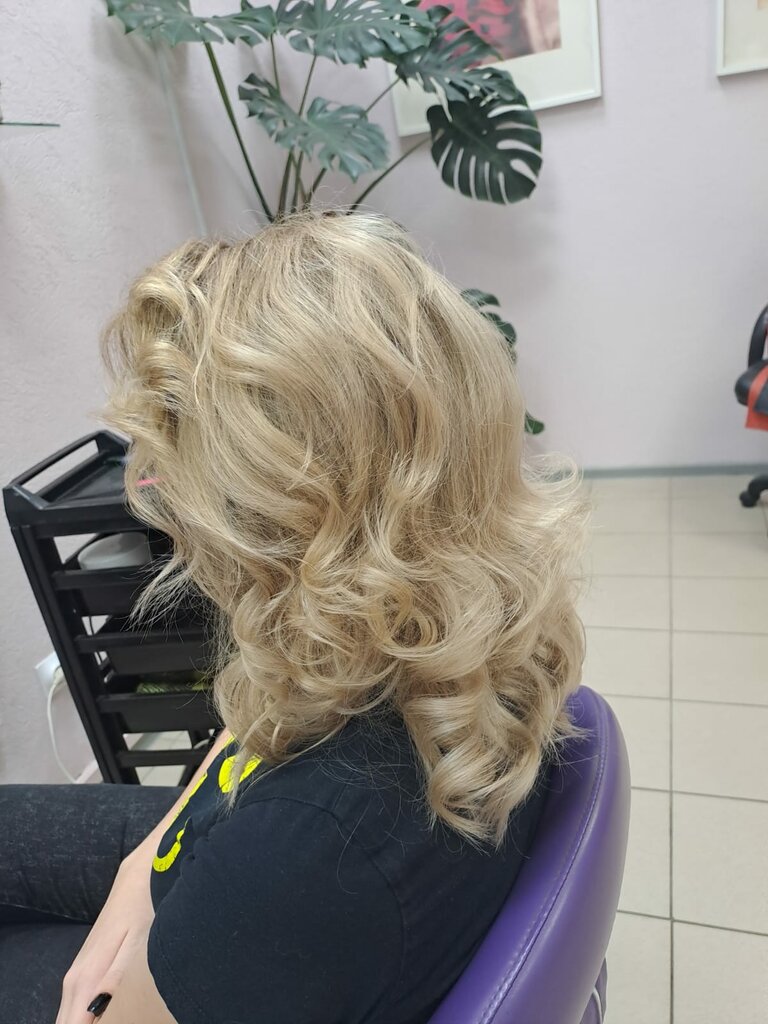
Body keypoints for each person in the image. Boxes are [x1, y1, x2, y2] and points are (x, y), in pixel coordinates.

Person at [0, 210, 587, 1024]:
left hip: (242, 899)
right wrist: (140, 873)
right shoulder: (454, 630)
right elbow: (253, 735)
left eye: (174, 470)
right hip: (217, 859)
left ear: (280, 514)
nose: (164, 508)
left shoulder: (308, 856)